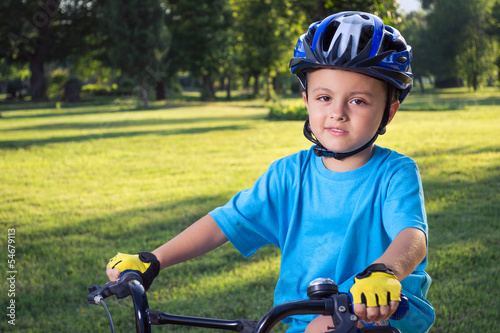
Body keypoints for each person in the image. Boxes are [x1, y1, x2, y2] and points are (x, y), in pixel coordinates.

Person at [106, 11, 435, 333]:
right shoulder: (289, 175)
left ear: (389, 112)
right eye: (324, 97)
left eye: (359, 101)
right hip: (302, 316)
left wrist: (385, 272)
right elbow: (224, 222)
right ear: (307, 101)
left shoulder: (395, 173)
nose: (337, 113)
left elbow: (412, 236)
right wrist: (154, 259)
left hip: (380, 308)